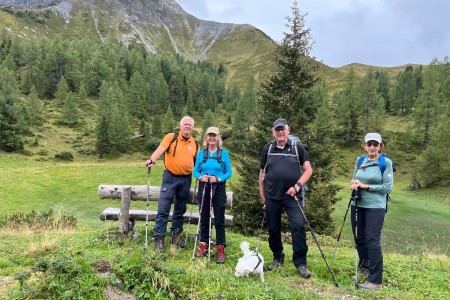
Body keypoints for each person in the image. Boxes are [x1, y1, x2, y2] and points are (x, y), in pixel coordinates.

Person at [258, 118, 313, 278]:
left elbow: (308, 170)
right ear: (273, 132)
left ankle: (301, 263)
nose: (280, 132)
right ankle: (278, 257)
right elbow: (262, 173)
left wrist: (297, 186)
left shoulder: (298, 148)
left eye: (283, 129)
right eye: (277, 130)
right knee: (273, 228)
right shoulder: (268, 148)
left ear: (288, 130)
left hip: (293, 196)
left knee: (298, 226)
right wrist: (262, 196)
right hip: (272, 196)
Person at [145, 116, 199, 252]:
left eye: (190, 125)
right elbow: (160, 149)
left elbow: (199, 162)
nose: (187, 127)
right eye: (185, 124)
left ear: (193, 128)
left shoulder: (195, 143)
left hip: (186, 179)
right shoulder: (171, 137)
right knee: (163, 208)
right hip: (170, 177)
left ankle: (175, 237)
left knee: (180, 209)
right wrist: (152, 159)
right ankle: (159, 239)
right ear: (180, 126)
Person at [350, 132, 394, 290]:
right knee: (359, 238)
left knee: (372, 240)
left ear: (381, 146)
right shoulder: (360, 160)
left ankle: (375, 281)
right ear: (365, 146)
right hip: (358, 203)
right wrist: (354, 184)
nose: (372, 147)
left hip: (375, 207)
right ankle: (365, 268)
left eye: (376, 144)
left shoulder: (386, 163)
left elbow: (387, 188)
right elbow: (354, 178)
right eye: (369, 144)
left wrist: (365, 186)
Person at [193, 127, 232, 264]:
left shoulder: (224, 153)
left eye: (214, 136)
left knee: (219, 218)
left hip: (219, 188)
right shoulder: (201, 153)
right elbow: (195, 171)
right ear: (206, 137)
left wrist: (219, 179)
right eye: (209, 135)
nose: (212, 138)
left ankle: (220, 247)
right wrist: (200, 177)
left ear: (218, 137)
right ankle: (204, 244)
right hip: (204, 187)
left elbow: (229, 172)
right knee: (204, 217)